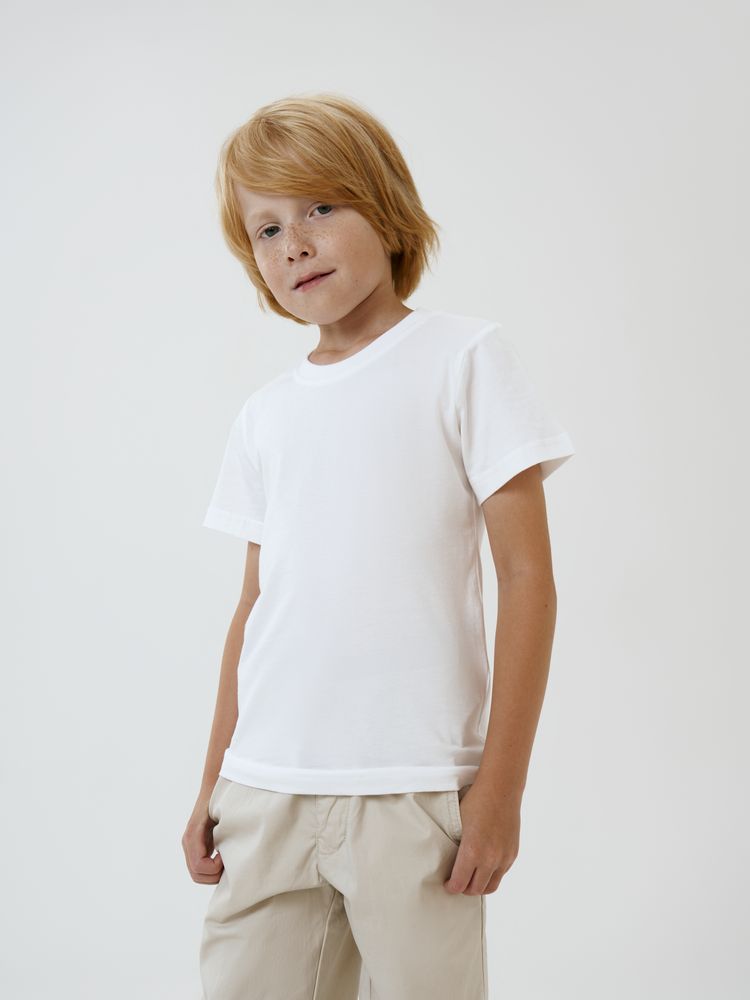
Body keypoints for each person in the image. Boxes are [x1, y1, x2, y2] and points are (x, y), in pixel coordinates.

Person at [181, 92, 575, 1000]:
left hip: (414, 791)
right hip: (264, 790)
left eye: (320, 207)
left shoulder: (464, 359)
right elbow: (254, 607)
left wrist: (501, 790)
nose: (295, 244)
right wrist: (214, 781)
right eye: (267, 229)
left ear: (387, 210)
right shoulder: (265, 416)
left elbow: (527, 578)